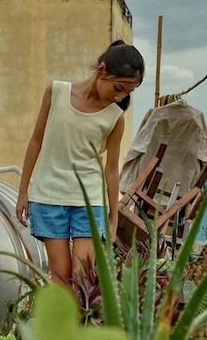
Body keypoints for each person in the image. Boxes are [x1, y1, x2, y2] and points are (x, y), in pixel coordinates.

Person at [16, 40, 144, 289]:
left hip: (90, 203)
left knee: (82, 280)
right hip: (49, 197)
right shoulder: (55, 93)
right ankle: (62, 329)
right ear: (102, 70)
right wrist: (23, 191)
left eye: (127, 93)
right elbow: (35, 141)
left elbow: (111, 170)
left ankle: (82, 326)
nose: (120, 97)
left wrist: (114, 218)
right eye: (118, 88)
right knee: (61, 278)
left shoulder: (115, 118)